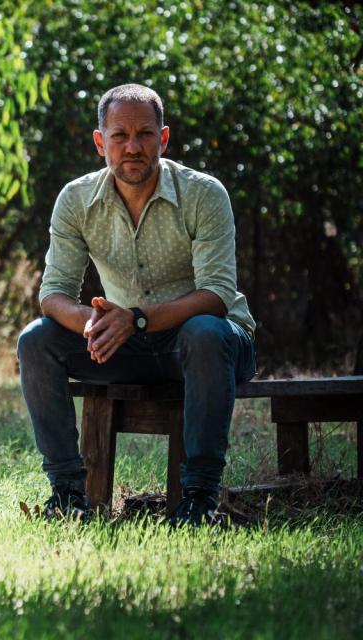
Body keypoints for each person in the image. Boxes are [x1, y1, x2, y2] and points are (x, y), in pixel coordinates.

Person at [16, 84, 257, 526]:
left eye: (145, 134)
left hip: (210, 344)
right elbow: (52, 294)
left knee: (204, 331)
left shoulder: (204, 194)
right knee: (36, 340)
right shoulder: (75, 200)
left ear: (163, 139)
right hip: (127, 343)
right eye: (119, 136)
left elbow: (218, 294)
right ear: (99, 142)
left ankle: (199, 501)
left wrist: (137, 319)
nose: (132, 147)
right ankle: (67, 496)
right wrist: (96, 324)